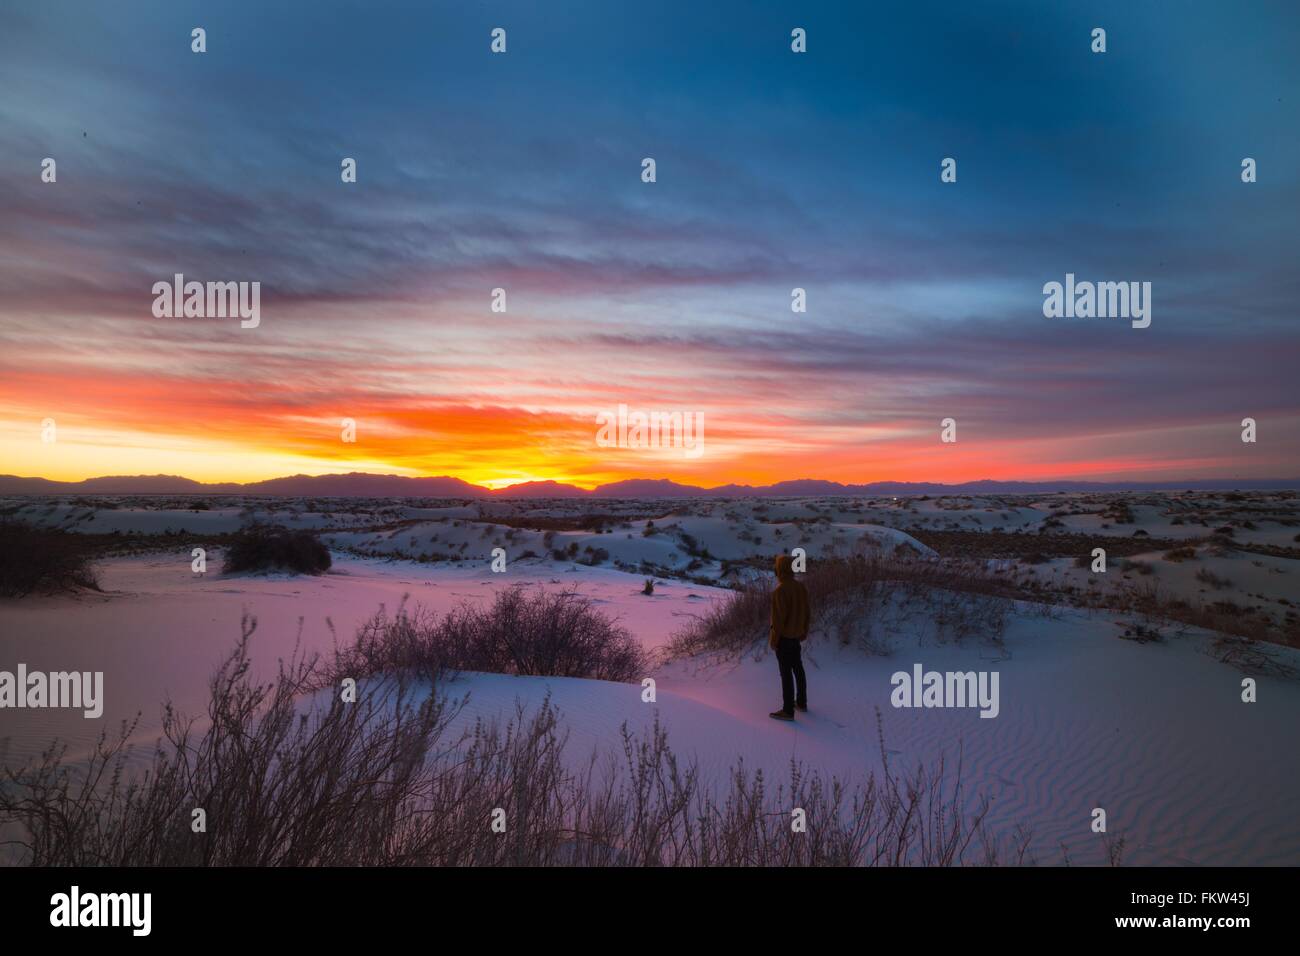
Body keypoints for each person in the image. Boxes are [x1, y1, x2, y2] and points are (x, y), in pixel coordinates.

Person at [768, 554, 809, 721]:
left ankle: (787, 710)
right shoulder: (800, 587)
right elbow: (807, 613)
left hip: (784, 639)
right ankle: (801, 702)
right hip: (796, 637)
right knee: (798, 670)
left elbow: (778, 620)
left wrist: (773, 640)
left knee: (786, 674)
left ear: (779, 569)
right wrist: (803, 632)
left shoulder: (780, 590)